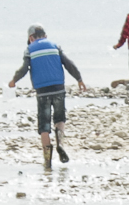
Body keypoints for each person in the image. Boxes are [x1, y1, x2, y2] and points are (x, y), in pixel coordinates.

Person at [8, 24, 89, 169]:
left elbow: (24, 69)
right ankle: (61, 144)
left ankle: (47, 161)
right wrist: (79, 79)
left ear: (31, 38)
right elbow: (69, 64)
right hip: (58, 88)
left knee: (44, 125)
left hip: (42, 91)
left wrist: (14, 80)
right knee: (60, 118)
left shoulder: (29, 49)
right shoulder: (55, 46)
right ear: (45, 35)